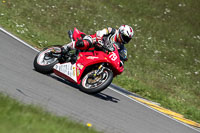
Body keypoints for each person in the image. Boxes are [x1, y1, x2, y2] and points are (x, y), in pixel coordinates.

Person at [61, 25, 134, 62]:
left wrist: (122, 60)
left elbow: (121, 58)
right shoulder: (112, 31)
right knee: (86, 43)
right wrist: (99, 38)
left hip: (100, 54)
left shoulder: (122, 47)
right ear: (120, 32)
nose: (125, 40)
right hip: (95, 41)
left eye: (127, 39)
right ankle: (66, 47)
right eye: (125, 37)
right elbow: (102, 32)